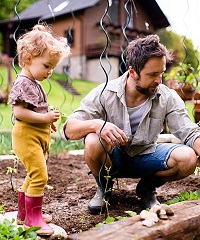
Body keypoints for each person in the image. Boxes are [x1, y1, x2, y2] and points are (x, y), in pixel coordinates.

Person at [63, 34, 200, 215]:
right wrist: (97, 124)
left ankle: (146, 188)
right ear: (133, 72)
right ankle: (104, 188)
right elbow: (69, 129)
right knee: (92, 140)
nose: (159, 80)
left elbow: (189, 131)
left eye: (161, 73)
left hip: (147, 156)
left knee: (188, 158)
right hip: (114, 158)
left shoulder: (167, 96)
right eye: (152, 75)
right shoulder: (105, 93)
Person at [9, 23, 70, 235]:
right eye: (46, 66)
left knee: (32, 174)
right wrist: (44, 117)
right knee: (40, 177)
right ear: (28, 59)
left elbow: (33, 109)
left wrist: (46, 120)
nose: (50, 71)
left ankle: (24, 214)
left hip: (36, 136)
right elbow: (20, 113)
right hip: (27, 137)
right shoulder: (23, 82)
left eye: (52, 67)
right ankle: (32, 220)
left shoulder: (33, 82)